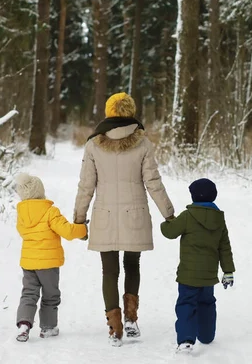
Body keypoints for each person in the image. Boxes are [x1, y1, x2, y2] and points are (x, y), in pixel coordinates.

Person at [73, 92, 174, 347]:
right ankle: (131, 319)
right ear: (131, 111)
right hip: (135, 216)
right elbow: (153, 182)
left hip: (104, 216)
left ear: (109, 112)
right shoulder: (142, 143)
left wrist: (79, 219)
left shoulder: (94, 144)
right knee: (132, 265)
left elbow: (86, 185)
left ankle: (114, 328)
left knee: (109, 271)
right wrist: (169, 214)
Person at [160, 178, 235, 353]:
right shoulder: (219, 219)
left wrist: (166, 222)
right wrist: (228, 271)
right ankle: (207, 336)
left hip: (188, 275)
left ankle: (186, 339)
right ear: (214, 196)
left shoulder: (187, 216)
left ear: (193, 196)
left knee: (186, 304)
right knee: (207, 303)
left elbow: (170, 233)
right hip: (209, 276)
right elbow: (224, 246)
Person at [14, 173, 87, 342]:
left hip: (29, 262)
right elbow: (68, 231)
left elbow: (22, 232)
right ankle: (47, 327)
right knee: (50, 295)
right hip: (48, 264)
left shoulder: (22, 213)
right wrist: (82, 229)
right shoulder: (50, 211)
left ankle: (24, 324)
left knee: (29, 294)